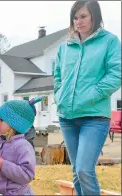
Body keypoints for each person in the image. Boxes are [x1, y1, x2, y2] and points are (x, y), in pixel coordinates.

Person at [53, 1, 121, 195]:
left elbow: (116, 75)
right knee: (76, 171)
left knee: (84, 170)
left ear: (94, 16)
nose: (78, 21)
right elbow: (57, 75)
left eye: (83, 16)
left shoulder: (110, 41)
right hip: (67, 117)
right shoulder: (65, 47)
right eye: (75, 17)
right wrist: (59, 95)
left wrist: (91, 95)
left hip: (94, 117)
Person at [0, 97, 43, 195]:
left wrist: (3, 165)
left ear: (14, 125)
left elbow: (27, 175)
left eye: (1, 119)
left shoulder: (23, 147)